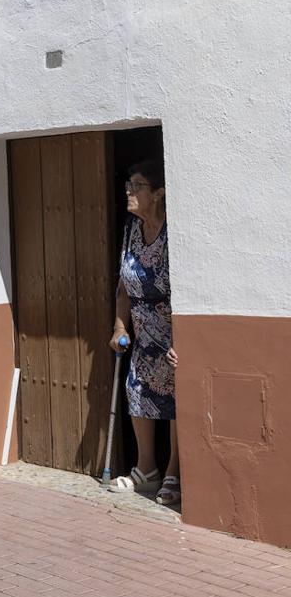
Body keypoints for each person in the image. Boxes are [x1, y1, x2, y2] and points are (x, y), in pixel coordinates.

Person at [109, 159, 180, 506]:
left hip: (172, 333)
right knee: (137, 391)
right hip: (142, 329)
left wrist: (184, 339)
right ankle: (146, 469)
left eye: (137, 186)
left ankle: (172, 473)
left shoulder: (173, 231)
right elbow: (124, 284)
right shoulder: (131, 230)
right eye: (128, 185)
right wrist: (120, 326)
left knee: (175, 399)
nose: (129, 191)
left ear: (158, 193)